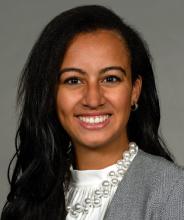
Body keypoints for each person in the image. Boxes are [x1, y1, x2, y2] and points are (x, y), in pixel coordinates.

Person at [1, 4, 184, 220]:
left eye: (110, 78)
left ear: (134, 91)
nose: (93, 99)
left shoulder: (171, 190)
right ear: (51, 94)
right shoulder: (33, 196)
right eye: (73, 80)